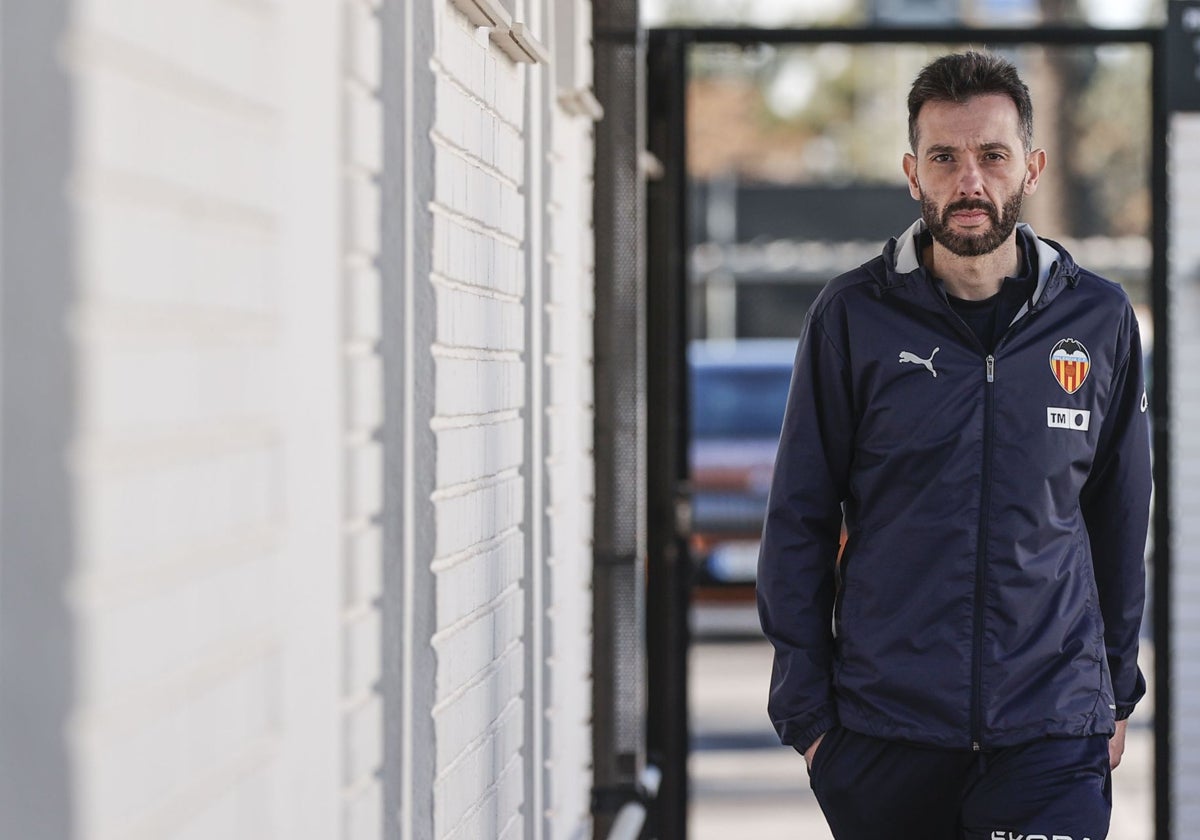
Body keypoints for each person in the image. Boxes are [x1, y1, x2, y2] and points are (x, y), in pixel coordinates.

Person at [756, 50, 1151, 840]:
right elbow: (799, 515)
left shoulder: (1097, 320)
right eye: (945, 158)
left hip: (1048, 737)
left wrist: (1111, 694)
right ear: (913, 173)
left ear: (1031, 168)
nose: (970, 181)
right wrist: (812, 722)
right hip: (886, 739)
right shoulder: (853, 317)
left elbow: (1118, 518)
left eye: (993, 156)